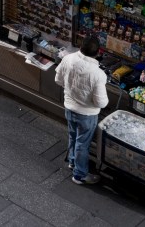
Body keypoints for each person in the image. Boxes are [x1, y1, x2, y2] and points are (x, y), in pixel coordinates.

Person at [54, 36, 108, 186]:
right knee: (82, 144)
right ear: (98, 53)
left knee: (73, 135)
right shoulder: (98, 75)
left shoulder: (68, 59)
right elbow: (101, 102)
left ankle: (72, 161)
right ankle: (79, 175)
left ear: (81, 47)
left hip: (69, 107)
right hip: (87, 115)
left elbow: (58, 80)